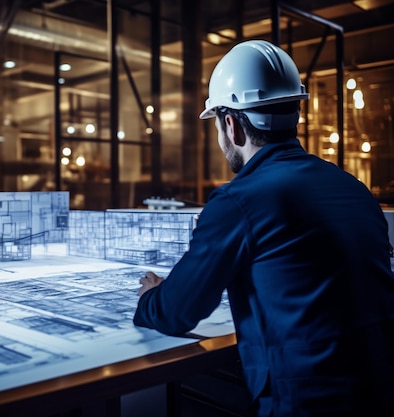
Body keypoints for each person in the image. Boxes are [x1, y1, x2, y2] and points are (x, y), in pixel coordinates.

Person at [133, 39, 394, 416]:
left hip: (305, 403)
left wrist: (151, 297)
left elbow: (178, 312)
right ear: (295, 115)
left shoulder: (239, 201)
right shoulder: (351, 188)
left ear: (231, 125)